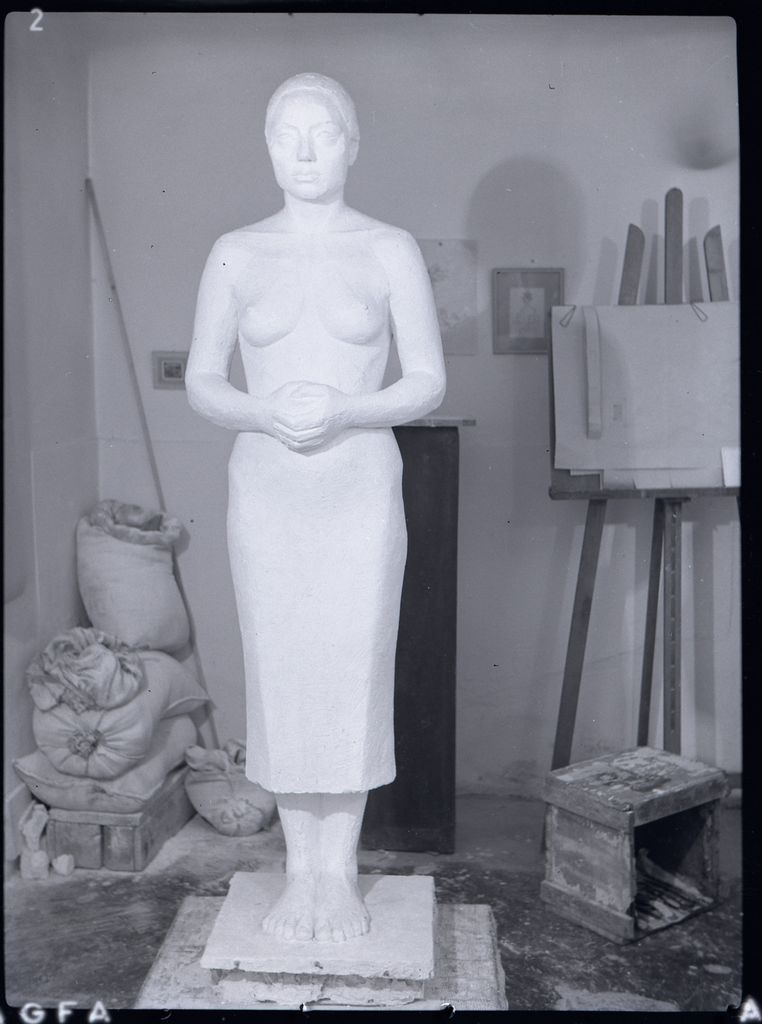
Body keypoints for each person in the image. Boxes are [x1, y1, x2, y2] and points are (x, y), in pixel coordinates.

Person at [186, 72, 445, 943]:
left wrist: (346, 409)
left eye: (322, 133)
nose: (303, 152)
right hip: (268, 489)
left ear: (353, 144)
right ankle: (301, 873)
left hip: (358, 485)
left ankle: (341, 873)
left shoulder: (388, 248)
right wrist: (265, 413)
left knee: (352, 674)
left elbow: (427, 379)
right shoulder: (236, 252)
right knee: (283, 674)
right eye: (285, 134)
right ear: (265, 146)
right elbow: (203, 380)